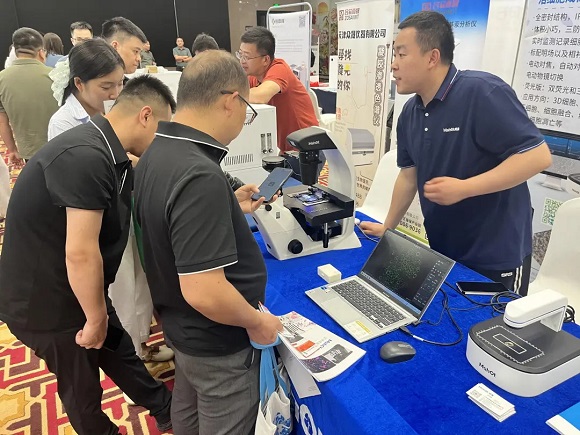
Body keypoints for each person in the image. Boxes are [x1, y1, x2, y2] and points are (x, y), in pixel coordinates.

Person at [0, 75, 176, 435]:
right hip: (45, 303)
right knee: (82, 387)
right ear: (145, 116)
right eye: (164, 129)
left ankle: (166, 409)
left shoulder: (106, 149)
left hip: (73, 288)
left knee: (117, 348)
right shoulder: (85, 157)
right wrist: (95, 318)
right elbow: (80, 252)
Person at [134, 50, 283, 435]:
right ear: (231, 101)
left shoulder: (157, 152)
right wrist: (257, 322)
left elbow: (170, 224)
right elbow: (204, 290)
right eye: (247, 110)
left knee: (188, 414)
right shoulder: (199, 173)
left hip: (182, 330)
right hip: (218, 344)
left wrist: (228, 205)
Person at [359, 11, 552, 295]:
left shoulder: (483, 92)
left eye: (401, 54)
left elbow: (537, 156)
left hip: (495, 254)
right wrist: (389, 226)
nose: (393, 65)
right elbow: (409, 176)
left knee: (494, 322)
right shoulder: (410, 112)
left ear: (432, 58)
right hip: (444, 248)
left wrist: (464, 188)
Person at [239, 27, 318, 154]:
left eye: (247, 57)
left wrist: (232, 94)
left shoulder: (279, 69)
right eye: (240, 54)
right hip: (286, 148)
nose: (242, 61)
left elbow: (260, 96)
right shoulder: (253, 76)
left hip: (307, 147)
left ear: (265, 59)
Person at [0, 28, 58, 165]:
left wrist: (12, 150)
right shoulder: (55, 75)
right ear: (41, 52)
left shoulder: (1, 79)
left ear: (15, 52)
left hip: (28, 151)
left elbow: (2, 122)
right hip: (59, 146)